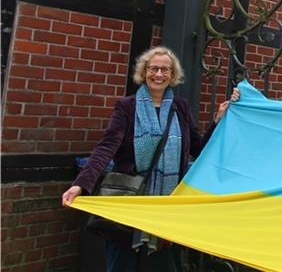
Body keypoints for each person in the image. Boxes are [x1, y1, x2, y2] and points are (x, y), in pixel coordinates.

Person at [62, 46, 237, 272]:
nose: (159, 74)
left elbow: (198, 150)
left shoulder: (180, 107)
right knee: (122, 264)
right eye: (154, 69)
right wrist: (80, 185)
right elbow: (106, 148)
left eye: (165, 70)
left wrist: (217, 121)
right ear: (144, 72)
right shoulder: (127, 107)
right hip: (130, 201)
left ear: (173, 76)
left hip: (165, 206)